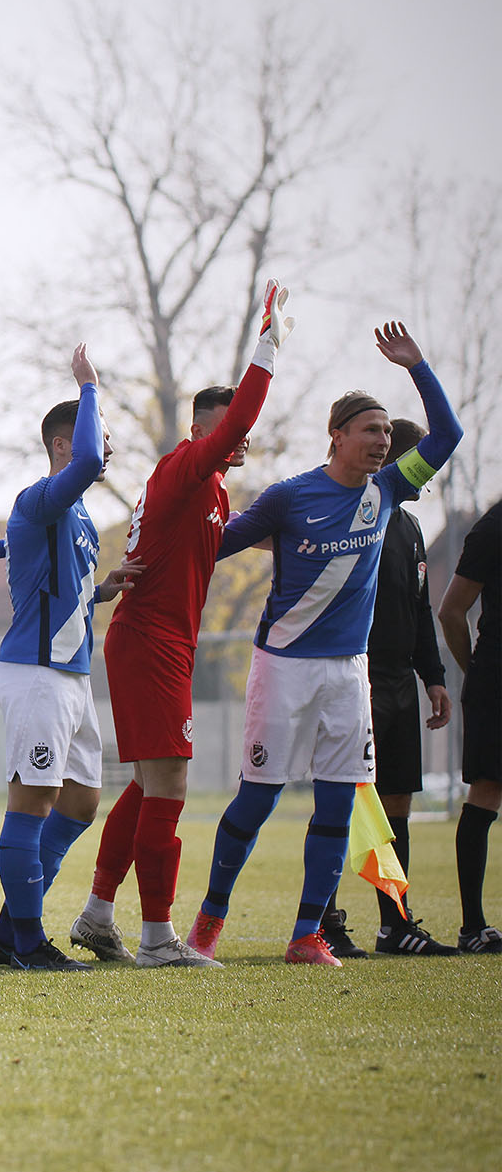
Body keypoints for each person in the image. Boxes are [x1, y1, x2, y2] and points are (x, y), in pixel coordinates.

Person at [188, 321, 463, 966]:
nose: (383, 441)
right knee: (258, 798)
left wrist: (416, 366)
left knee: (338, 801)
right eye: (371, 430)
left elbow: (447, 435)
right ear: (337, 435)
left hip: (348, 675)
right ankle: (208, 921)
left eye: (387, 433)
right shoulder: (289, 497)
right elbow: (214, 543)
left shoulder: (388, 489)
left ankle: (307, 934)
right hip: (282, 667)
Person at [72, 280, 289, 969]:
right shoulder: (188, 468)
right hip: (149, 643)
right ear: (202, 431)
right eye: (229, 429)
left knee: (146, 785)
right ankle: (158, 938)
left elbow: (216, 541)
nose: (241, 438)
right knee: (170, 787)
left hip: (156, 642)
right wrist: (267, 349)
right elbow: (237, 419)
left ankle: (97, 915)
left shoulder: (210, 491)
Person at [0, 345, 141, 971]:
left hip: (71, 674)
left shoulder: (77, 516)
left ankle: (6, 933)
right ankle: (26, 942)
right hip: (36, 672)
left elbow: (56, 589)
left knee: (80, 803)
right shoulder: (40, 498)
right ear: (62, 444)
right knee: (32, 804)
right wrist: (89, 386)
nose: (107, 450)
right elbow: (92, 459)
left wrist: (100, 590)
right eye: (98, 436)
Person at [318, 418, 454, 957]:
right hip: (356, 678)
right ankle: (322, 921)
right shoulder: (355, 514)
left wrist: (434, 678)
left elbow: (420, 610)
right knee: (340, 796)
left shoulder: (413, 528)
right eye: (424, 461)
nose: (429, 474)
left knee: (397, 800)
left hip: (399, 683)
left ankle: (395, 925)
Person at [439, 499, 502, 952]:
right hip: (496, 681)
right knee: (486, 792)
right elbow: (451, 610)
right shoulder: (493, 528)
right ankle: (473, 927)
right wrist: (474, 673)